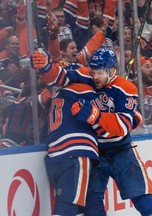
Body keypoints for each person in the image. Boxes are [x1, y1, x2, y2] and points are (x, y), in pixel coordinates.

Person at [31, 48, 152, 216]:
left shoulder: (125, 88)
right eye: (93, 71)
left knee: (140, 194)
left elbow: (123, 126)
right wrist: (46, 67)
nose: (95, 77)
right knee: (92, 204)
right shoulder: (87, 75)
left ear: (112, 70)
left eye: (100, 73)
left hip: (121, 150)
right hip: (96, 154)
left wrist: (94, 116)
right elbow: (62, 77)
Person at [31, 50, 101, 215]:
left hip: (54, 156)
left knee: (71, 206)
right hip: (76, 152)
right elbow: (101, 123)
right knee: (68, 209)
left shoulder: (57, 94)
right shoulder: (85, 89)